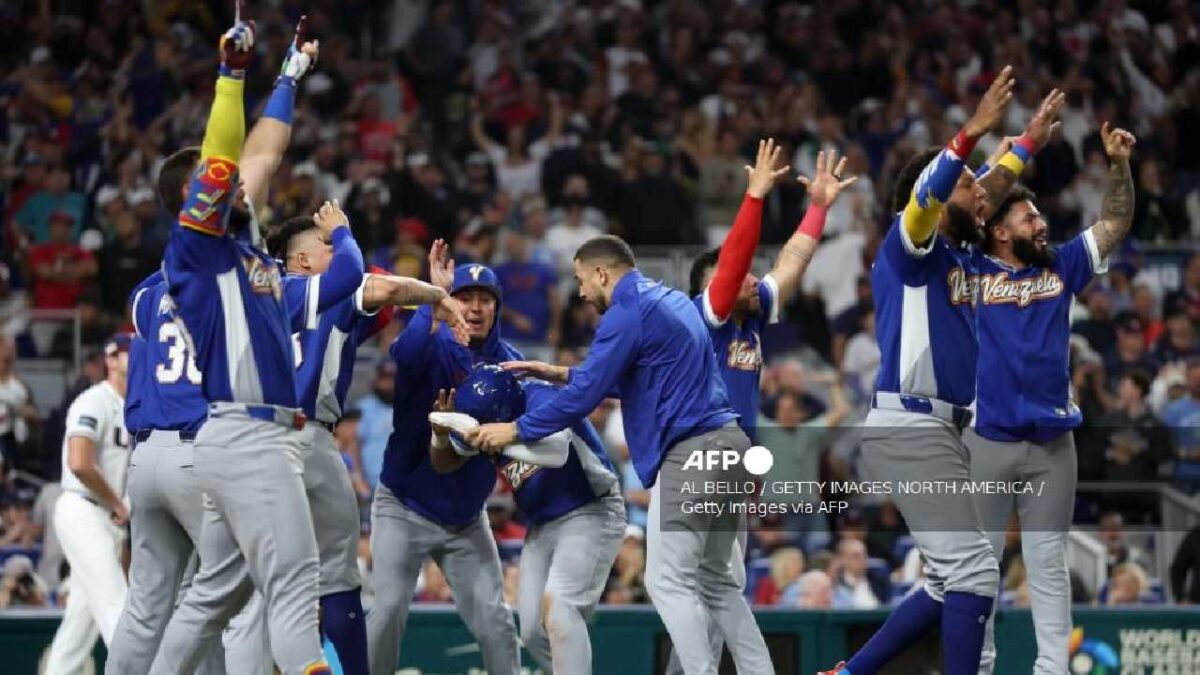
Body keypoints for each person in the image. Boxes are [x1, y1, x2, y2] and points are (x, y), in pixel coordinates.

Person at [467, 235, 772, 675]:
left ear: (601, 273)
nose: (580, 292)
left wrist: (514, 429)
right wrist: (561, 372)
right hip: (730, 445)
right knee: (718, 581)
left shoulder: (625, 313)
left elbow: (582, 399)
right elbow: (635, 379)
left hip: (691, 452)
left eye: (580, 280)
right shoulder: (670, 300)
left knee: (666, 582)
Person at [147, 12, 342, 674]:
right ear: (195, 194)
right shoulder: (197, 245)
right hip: (252, 437)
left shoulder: (238, 239)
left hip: (237, 438)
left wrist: (289, 74)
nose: (238, 181)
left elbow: (263, 153)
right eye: (220, 178)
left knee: (211, 597)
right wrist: (231, 77)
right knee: (296, 589)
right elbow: (230, 156)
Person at [817, 67, 1020, 675]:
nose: (980, 191)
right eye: (967, 182)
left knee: (947, 579)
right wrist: (971, 131)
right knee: (975, 572)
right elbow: (933, 195)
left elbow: (981, 190)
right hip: (912, 425)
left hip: (945, 431)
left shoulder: (958, 250)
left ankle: (847, 673)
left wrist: (1027, 145)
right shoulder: (910, 247)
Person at [672, 138, 853, 671]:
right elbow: (733, 268)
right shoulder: (703, 318)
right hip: (696, 461)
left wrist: (817, 209)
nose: (753, 277)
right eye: (739, 273)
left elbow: (792, 262)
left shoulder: (750, 318)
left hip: (730, 468)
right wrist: (753, 197)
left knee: (716, 589)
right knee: (693, 588)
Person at [967, 120, 1137, 675]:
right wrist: (1009, 156)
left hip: (1052, 441)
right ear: (998, 231)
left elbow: (1114, 222)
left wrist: (1119, 166)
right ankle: (978, 666)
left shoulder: (1061, 264)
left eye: (1039, 215)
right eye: (1028, 218)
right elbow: (964, 208)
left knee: (1048, 563)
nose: (1041, 224)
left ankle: (1052, 669)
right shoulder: (967, 268)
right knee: (980, 566)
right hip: (987, 437)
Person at [270, 216, 466, 675]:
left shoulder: (253, 294)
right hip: (309, 437)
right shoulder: (331, 294)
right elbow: (388, 289)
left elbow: (385, 298)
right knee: (338, 578)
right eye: (326, 247)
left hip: (248, 441)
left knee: (249, 578)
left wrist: (426, 297)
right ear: (304, 261)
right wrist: (437, 295)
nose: (336, 255)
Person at [367, 260, 520, 674]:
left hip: (466, 519)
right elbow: (404, 355)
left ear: (497, 308)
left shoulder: (511, 365)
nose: (475, 307)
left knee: (496, 622)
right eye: (464, 298)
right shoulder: (430, 344)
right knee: (386, 611)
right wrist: (431, 302)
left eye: (485, 299)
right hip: (404, 506)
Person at [430, 364, 624, 674]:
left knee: (561, 609)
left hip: (590, 509)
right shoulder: (483, 414)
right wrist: (441, 435)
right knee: (533, 632)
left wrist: (501, 437)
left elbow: (557, 452)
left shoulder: (542, 397)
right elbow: (447, 461)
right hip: (541, 524)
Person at [43, 333, 133, 673]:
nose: (137, 358)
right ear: (111, 359)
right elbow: (79, 462)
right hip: (84, 509)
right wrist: (117, 503)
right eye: (128, 353)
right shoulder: (94, 400)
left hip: (109, 518)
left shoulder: (137, 406)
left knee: (79, 626)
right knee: (118, 608)